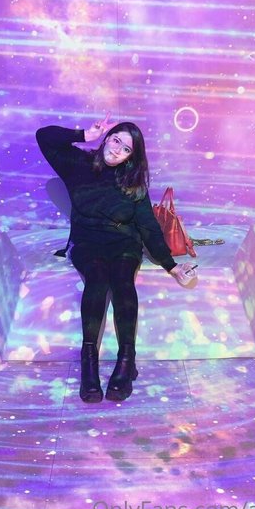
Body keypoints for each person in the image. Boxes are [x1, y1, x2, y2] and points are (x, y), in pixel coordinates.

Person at [36, 113, 195, 403]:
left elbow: (148, 227)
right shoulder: (78, 164)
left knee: (122, 281)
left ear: (131, 157)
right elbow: (44, 136)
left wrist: (171, 266)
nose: (117, 149)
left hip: (124, 242)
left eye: (126, 148)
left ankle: (126, 360)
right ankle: (89, 363)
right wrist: (84, 135)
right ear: (107, 138)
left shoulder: (133, 183)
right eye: (116, 140)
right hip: (87, 242)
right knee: (96, 279)